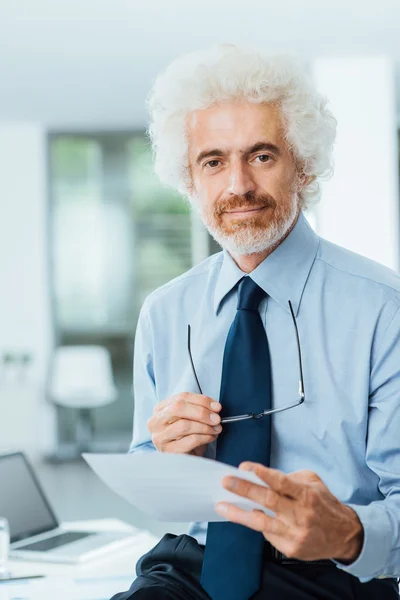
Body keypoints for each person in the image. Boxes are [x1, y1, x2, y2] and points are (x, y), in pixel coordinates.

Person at [111, 44, 400, 600]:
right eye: (213, 161)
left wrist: (349, 532)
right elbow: (146, 467)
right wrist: (170, 459)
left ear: (304, 165)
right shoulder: (165, 311)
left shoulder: (384, 311)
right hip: (186, 570)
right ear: (190, 180)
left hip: (329, 576)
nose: (237, 184)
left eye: (262, 155)